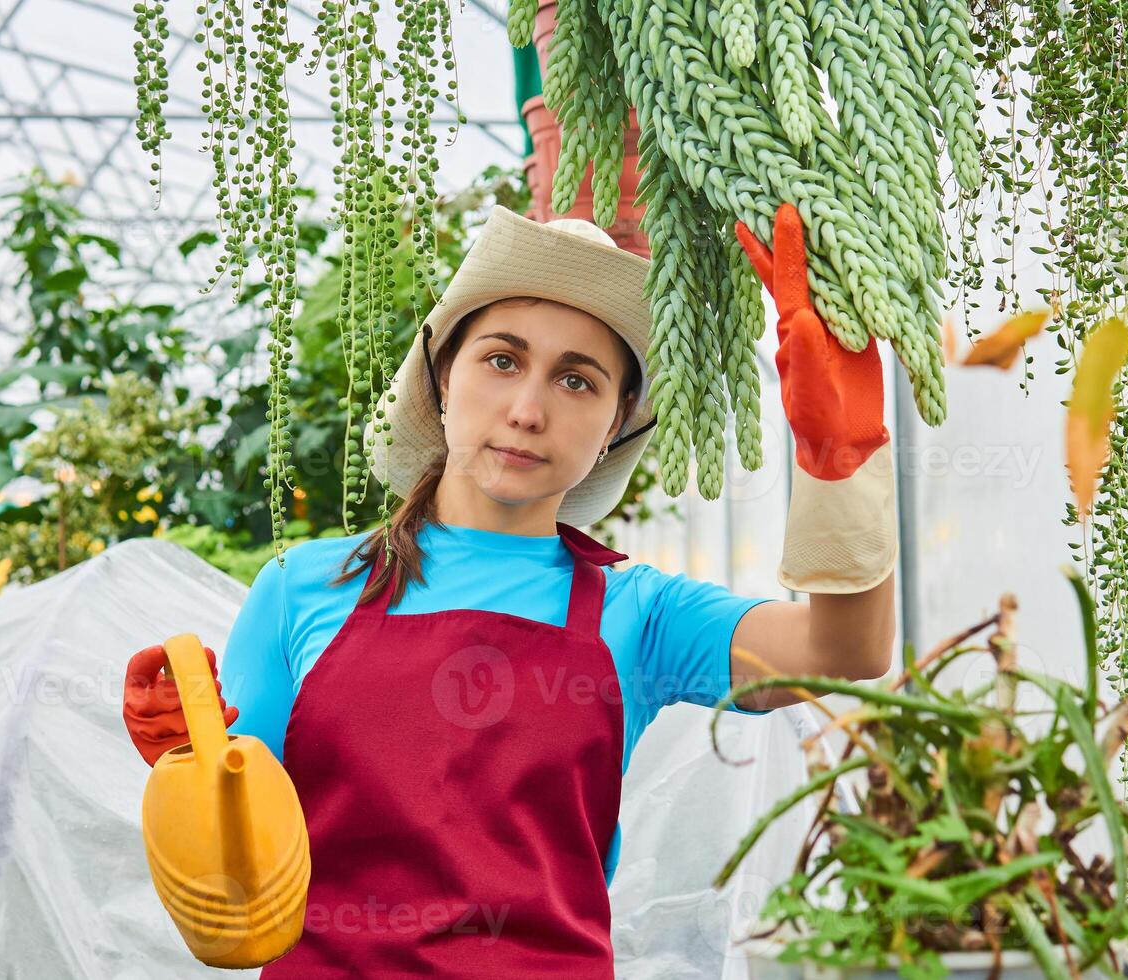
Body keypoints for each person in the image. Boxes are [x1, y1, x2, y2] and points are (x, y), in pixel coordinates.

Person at [123, 202, 899, 977]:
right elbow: (243, 875)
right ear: (440, 375)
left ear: (616, 426)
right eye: (501, 360)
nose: (528, 411)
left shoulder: (643, 613)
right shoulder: (303, 588)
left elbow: (847, 649)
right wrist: (189, 767)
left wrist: (839, 453)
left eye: (576, 381)